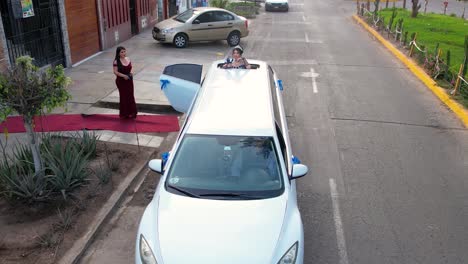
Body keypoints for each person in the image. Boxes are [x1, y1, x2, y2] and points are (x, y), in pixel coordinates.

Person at [113, 46, 138, 119]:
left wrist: (130, 74)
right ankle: (125, 114)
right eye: (122, 52)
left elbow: (129, 68)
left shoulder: (128, 58)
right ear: (118, 53)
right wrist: (123, 76)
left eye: (124, 51)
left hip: (129, 80)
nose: (124, 53)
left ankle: (132, 112)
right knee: (124, 97)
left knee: (130, 96)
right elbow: (115, 72)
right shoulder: (116, 61)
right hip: (121, 81)